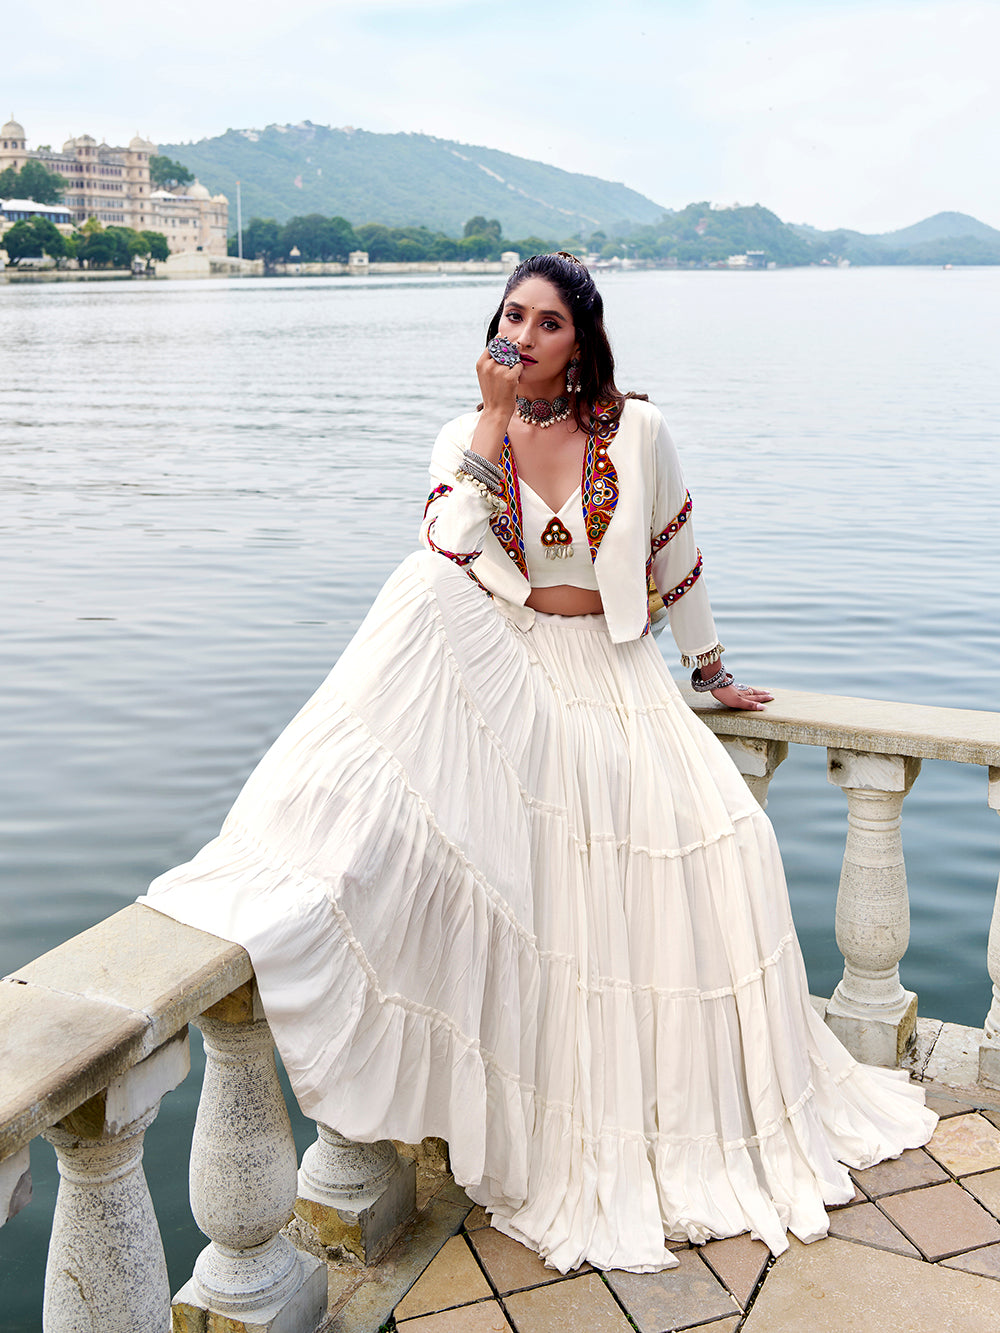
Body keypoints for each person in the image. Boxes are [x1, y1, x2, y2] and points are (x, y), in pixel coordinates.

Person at [140, 253, 935, 1275]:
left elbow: (677, 554)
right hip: (519, 668)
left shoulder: (636, 429)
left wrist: (711, 669)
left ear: (581, 339)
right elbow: (445, 544)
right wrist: (489, 420)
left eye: (546, 321)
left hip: (618, 669)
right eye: (511, 314)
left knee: (731, 838)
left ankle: (682, 1108)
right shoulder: (463, 435)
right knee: (419, 588)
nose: (522, 334)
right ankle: (309, 821)